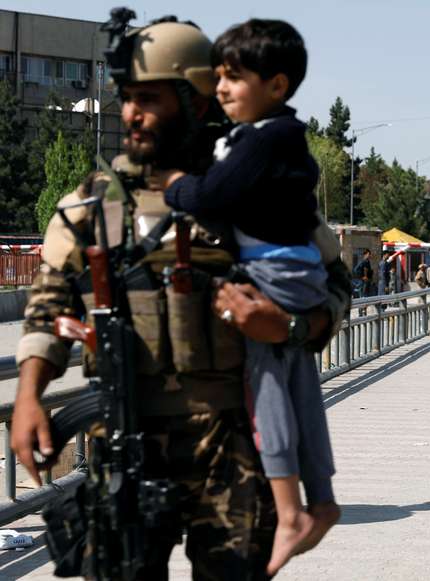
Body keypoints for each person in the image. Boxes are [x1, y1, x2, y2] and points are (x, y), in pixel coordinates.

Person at [11, 17, 351, 580]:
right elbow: (49, 300)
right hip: (128, 440)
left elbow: (334, 282)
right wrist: (29, 396)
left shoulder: (252, 183)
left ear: (194, 100)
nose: (130, 114)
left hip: (233, 446)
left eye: (149, 99)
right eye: (126, 99)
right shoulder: (98, 202)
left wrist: (290, 327)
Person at [160, 19, 339, 574]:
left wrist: (174, 188)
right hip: (290, 275)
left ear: (277, 85)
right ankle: (321, 501)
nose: (218, 91)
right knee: (299, 388)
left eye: (231, 79)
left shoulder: (261, 138)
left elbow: (213, 195)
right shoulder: (271, 137)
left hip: (272, 278)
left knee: (267, 390)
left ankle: (291, 511)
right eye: (212, 81)